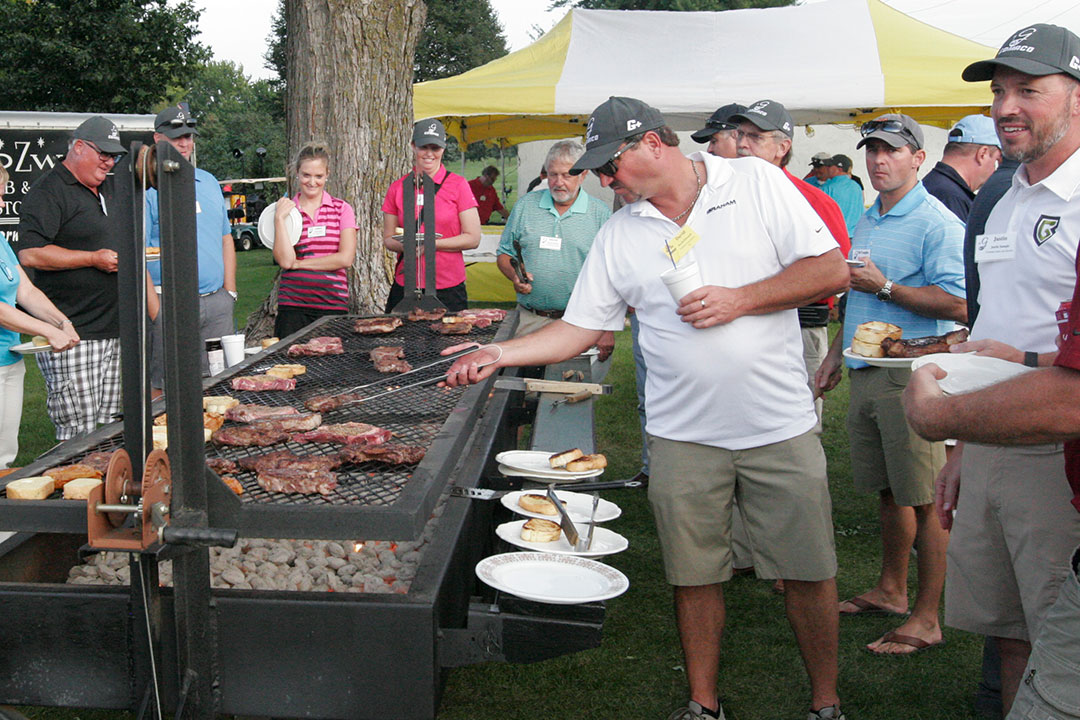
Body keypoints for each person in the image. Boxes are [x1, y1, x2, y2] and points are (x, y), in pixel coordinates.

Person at [443, 96, 849, 720]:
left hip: (778, 425)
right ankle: (702, 704)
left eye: (612, 165)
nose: (604, 180)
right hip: (681, 436)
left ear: (655, 143)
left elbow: (829, 270)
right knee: (694, 575)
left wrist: (741, 300)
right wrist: (501, 354)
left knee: (809, 572)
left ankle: (826, 703)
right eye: (598, 170)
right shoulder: (620, 232)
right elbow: (580, 327)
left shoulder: (756, 182)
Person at [914, 24, 1080, 716]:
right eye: (999, 91)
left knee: (1057, 635)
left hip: (1058, 448)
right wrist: (960, 449)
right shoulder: (1004, 198)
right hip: (987, 441)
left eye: (1028, 91)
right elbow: (991, 322)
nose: (1007, 107)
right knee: (1007, 631)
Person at [816, 113, 966, 655]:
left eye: (892, 151)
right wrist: (836, 353)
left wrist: (888, 287)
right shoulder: (872, 216)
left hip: (914, 379)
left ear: (917, 158)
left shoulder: (937, 222)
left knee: (926, 500)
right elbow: (856, 294)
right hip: (866, 372)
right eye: (872, 151)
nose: (879, 161)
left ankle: (927, 618)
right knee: (890, 491)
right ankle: (891, 589)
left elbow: (959, 303)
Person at [17, 116, 153, 440]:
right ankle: (75, 491)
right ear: (79, 147)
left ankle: (111, 488)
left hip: (117, 329)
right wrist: (92, 259)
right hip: (74, 333)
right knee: (78, 432)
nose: (109, 161)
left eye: (114, 156)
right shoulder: (49, 190)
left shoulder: (111, 186)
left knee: (113, 428)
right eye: (102, 153)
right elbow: (31, 254)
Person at [731, 99, 851, 424]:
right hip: (740, 326)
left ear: (782, 147)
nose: (742, 144)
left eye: (755, 137)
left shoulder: (813, 200)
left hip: (801, 327)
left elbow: (839, 270)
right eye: (740, 134)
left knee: (800, 417)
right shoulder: (724, 196)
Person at [495, 140, 613, 360]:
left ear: (583, 175)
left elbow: (611, 275)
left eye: (567, 175)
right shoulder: (525, 206)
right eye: (552, 175)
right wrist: (515, 276)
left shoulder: (600, 214)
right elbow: (504, 253)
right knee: (519, 386)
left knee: (571, 386)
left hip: (580, 322)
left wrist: (605, 328)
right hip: (529, 319)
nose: (558, 183)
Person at [145, 102, 236, 386]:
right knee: (163, 387)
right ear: (158, 140)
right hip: (168, 304)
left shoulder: (208, 182)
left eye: (188, 136)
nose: (184, 144)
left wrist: (229, 292)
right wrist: (156, 311)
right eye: (176, 137)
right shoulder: (147, 188)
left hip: (216, 303)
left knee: (218, 384)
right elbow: (135, 254)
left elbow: (225, 238)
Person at [0, 164, 80, 466]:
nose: (3, 204)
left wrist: (61, 321)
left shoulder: (0, 242)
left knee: (5, 454)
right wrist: (48, 332)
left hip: (9, 358)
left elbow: (26, 292)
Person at [381, 119, 481, 313]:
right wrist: (405, 245)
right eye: (423, 146)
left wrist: (431, 244)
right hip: (407, 285)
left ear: (443, 149)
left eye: (435, 148)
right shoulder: (397, 188)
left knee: (450, 341)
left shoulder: (458, 185)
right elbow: (388, 238)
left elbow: (473, 238)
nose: (429, 153)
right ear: (413, 146)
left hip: (447, 286)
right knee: (400, 340)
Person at [273, 143, 358, 338]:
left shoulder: (342, 209)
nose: (312, 182)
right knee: (289, 365)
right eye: (306, 175)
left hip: (332, 304)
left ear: (327, 174)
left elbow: (345, 259)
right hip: (293, 306)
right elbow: (286, 261)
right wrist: (279, 219)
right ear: (297, 173)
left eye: (318, 176)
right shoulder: (285, 211)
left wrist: (300, 263)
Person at [921, 114, 1003, 222]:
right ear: (983, 154)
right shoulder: (951, 198)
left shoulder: (934, 185)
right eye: (996, 161)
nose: (994, 171)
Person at [820, 155, 865, 236]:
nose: (826, 168)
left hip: (836, 236)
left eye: (829, 166)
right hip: (856, 235)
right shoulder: (856, 186)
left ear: (839, 169)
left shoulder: (827, 188)